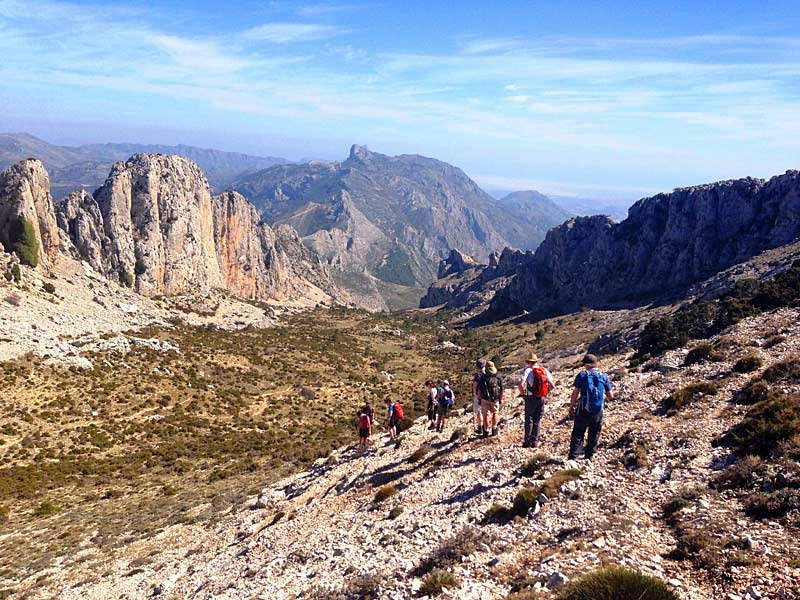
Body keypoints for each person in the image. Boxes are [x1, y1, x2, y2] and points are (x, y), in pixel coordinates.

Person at [568, 354, 614, 460]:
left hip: (583, 408)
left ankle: (573, 456)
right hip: (598, 410)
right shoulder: (603, 376)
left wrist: (571, 407)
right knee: (594, 431)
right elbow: (611, 395)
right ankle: (590, 455)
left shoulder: (582, 375)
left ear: (587, 364)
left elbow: (575, 393)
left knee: (578, 432)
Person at [518, 353, 554, 448]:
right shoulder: (544, 370)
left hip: (531, 398)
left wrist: (523, 395)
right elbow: (552, 385)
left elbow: (521, 384)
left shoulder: (528, 371)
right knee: (537, 419)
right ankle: (535, 442)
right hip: (541, 397)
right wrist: (545, 393)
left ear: (528, 362)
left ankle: (527, 442)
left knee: (529, 419)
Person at [480, 361, 503, 438]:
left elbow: (479, 390)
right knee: (495, 413)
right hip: (495, 398)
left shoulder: (483, 377)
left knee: (485, 415)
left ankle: (486, 431)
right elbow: (501, 389)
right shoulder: (498, 377)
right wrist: (501, 399)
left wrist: (479, 399)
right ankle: (494, 429)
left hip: (484, 398)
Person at [472, 359, 487, 434]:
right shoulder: (488, 373)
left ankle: (480, 427)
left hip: (479, 396)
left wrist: (475, 395)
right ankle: (486, 428)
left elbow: (475, 386)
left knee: (479, 412)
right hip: (486, 396)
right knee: (485, 412)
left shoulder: (478, 375)